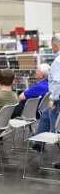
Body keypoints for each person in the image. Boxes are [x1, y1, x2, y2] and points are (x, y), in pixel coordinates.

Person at [32, 34, 60, 163]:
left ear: (54, 44)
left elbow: (58, 83)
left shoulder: (57, 62)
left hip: (57, 100)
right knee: (45, 115)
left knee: (57, 131)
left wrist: (52, 100)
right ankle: (38, 141)